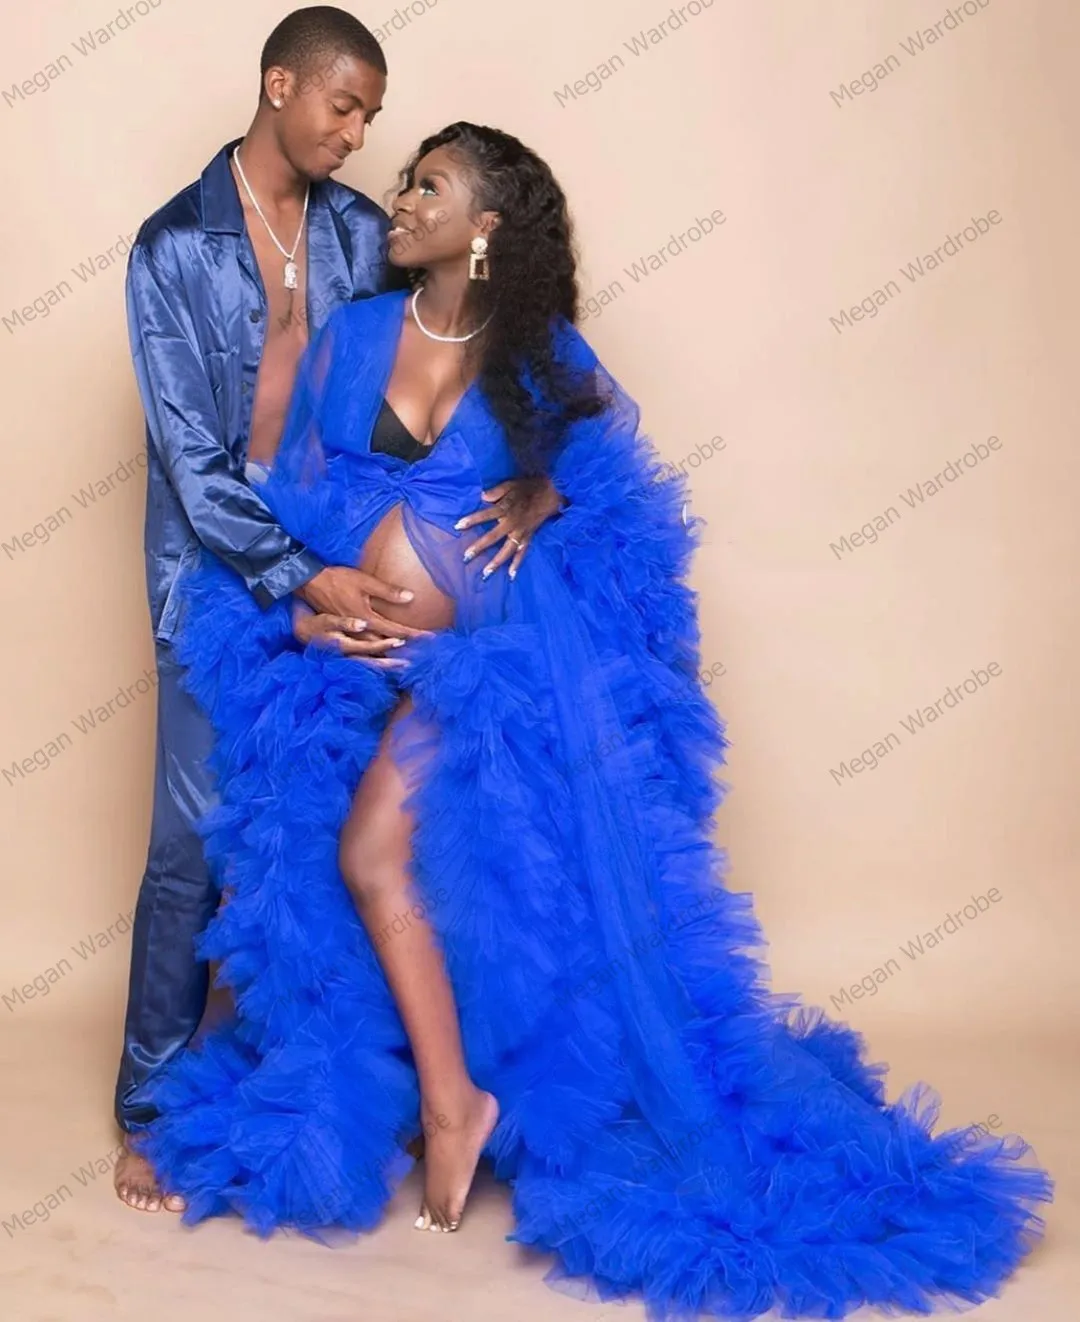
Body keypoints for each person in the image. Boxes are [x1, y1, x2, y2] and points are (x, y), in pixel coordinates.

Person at [130, 121, 1052, 1319]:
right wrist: (307, 613)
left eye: (428, 186)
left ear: (487, 227)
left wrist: (543, 487)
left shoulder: (539, 355)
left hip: (493, 668)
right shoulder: (355, 334)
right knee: (321, 865)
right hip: (356, 660)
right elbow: (291, 494)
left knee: (381, 854)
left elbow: (613, 462)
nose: (399, 197)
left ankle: (461, 1103)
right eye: (405, 180)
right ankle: (429, 1094)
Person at [115, 9, 563, 1213]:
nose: (361, 134)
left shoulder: (365, 233)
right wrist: (297, 582)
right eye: (345, 106)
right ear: (281, 87)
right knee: (192, 841)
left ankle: (359, 1084)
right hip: (221, 570)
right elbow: (193, 461)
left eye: (373, 115)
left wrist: (536, 478)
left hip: (339, 568)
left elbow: (446, 366)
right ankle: (152, 1108)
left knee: (332, 839)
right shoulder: (173, 246)